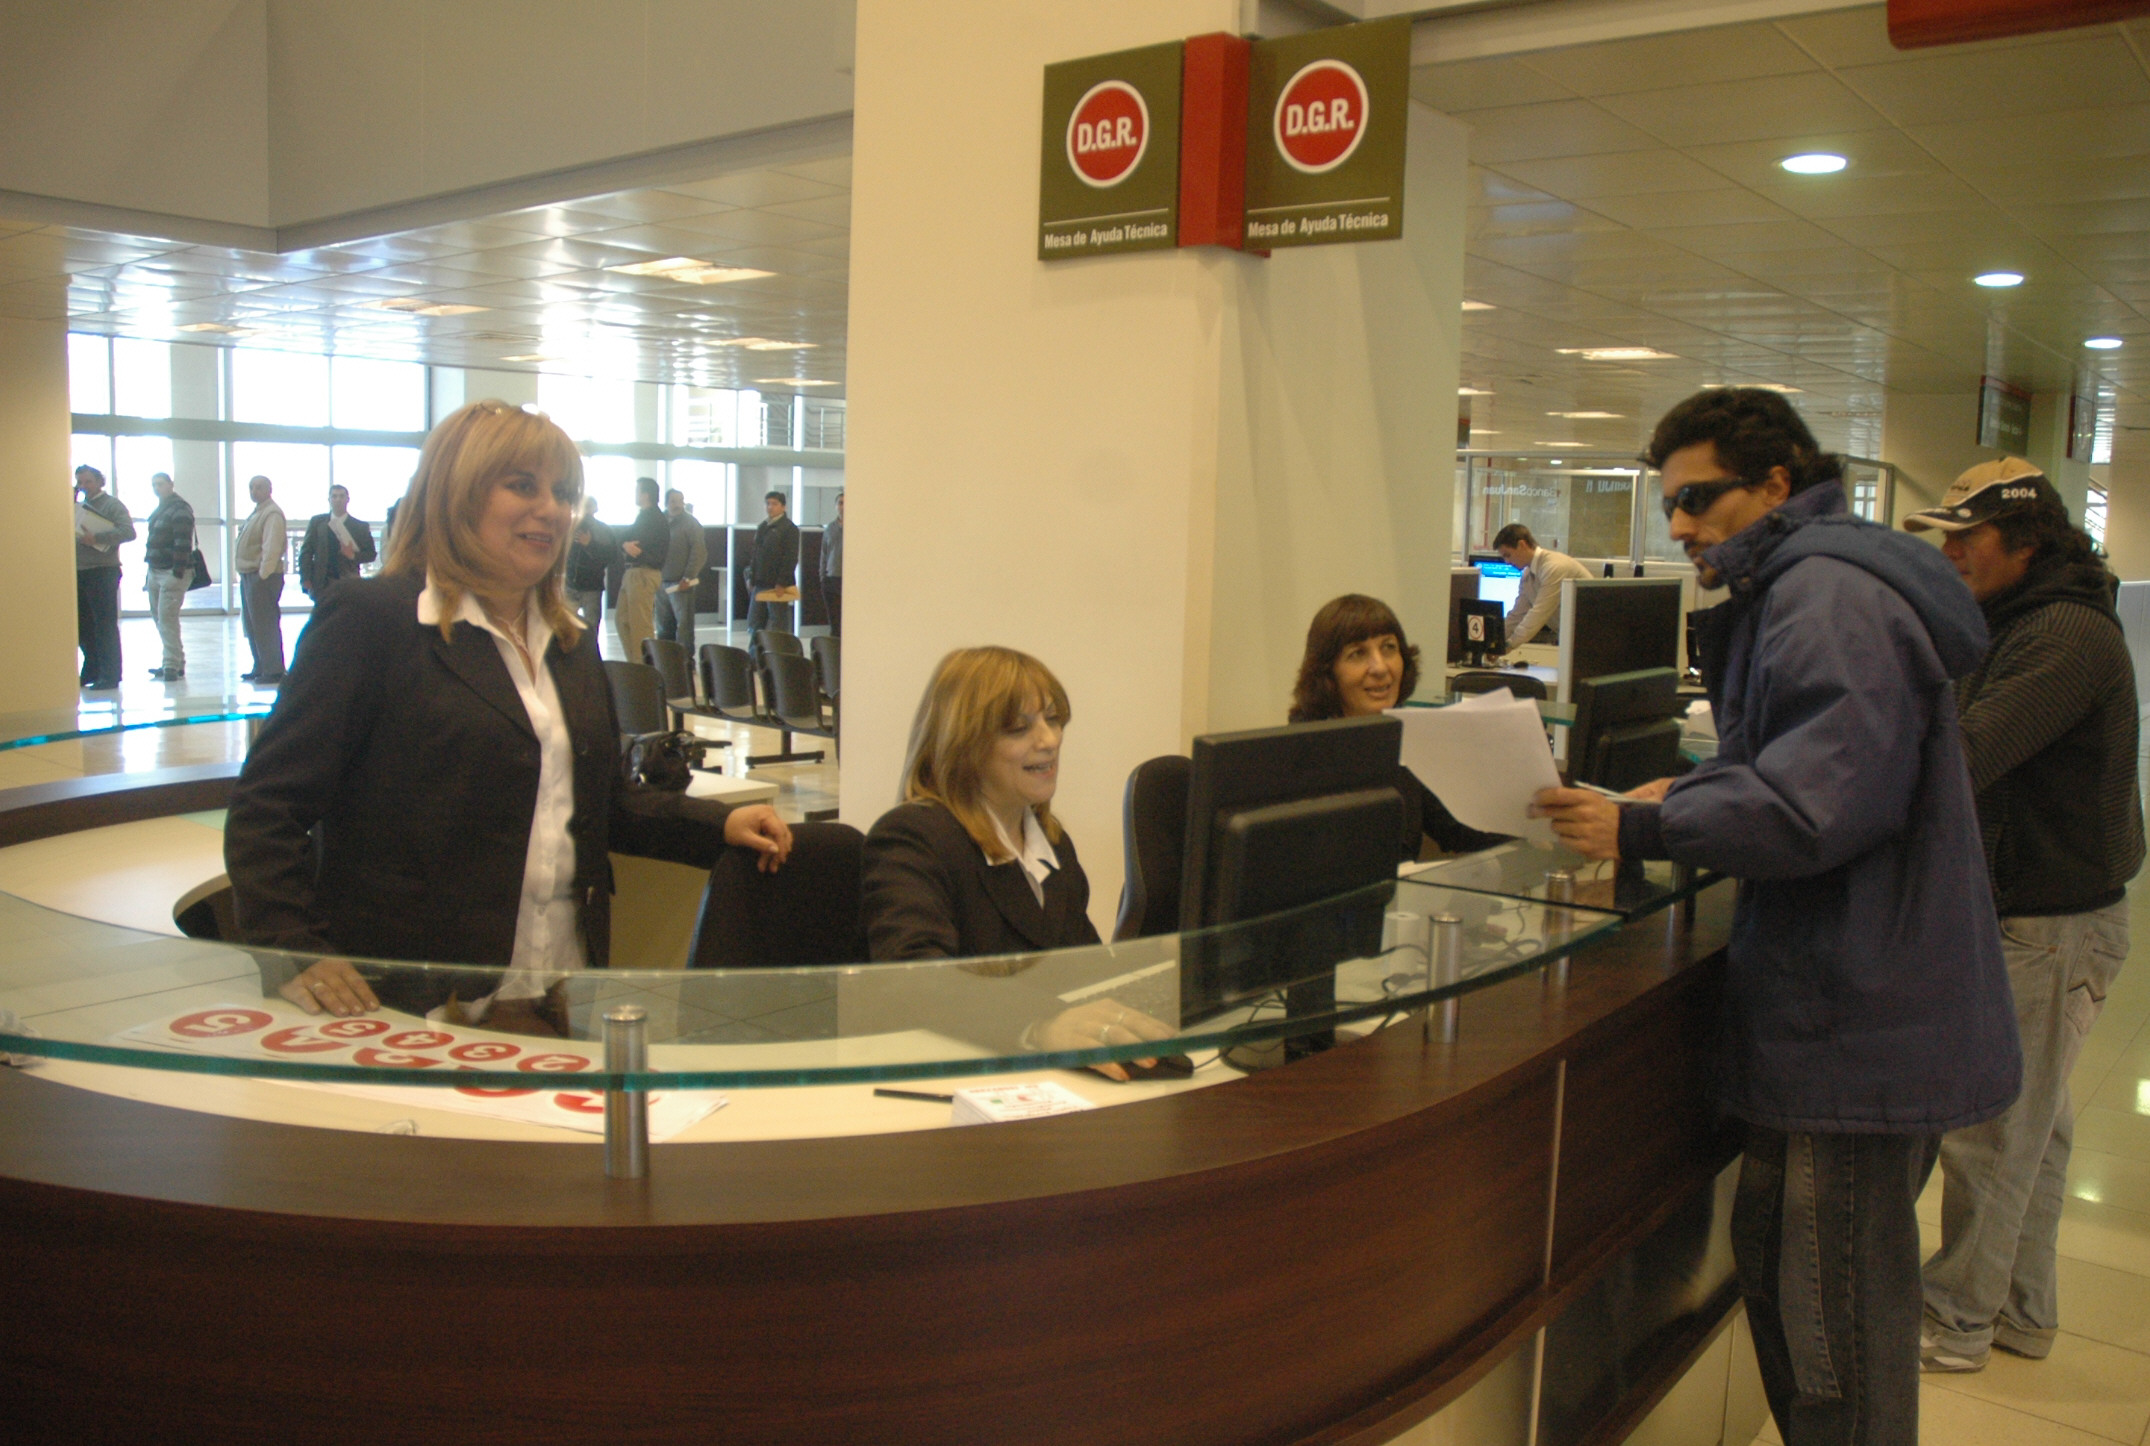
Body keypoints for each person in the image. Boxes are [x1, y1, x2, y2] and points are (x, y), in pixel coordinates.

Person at [1533, 387, 2020, 1446]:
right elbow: (1815, 762)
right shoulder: (1816, 580)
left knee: (1831, 1326)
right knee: (1807, 1289)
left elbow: (1815, 806)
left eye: (1696, 499)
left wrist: (1645, 827)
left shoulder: (1823, 594)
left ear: (1774, 485)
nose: (1677, 525)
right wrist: (1699, 789)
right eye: (1666, 503)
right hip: (1860, 1003)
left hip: (1854, 1019)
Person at [223, 401, 792, 1033]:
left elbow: (598, 806)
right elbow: (268, 806)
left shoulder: (568, 641)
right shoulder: (372, 619)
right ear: (456, 494)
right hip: (412, 1007)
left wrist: (719, 824)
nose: (551, 509)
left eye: (564, 493)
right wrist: (293, 950)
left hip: (557, 992)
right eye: (522, 485)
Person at [1902, 461, 2144, 1374]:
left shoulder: (2064, 634)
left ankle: (1955, 1322)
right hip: (2041, 916)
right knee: (2035, 1134)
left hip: (2050, 924)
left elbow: (1965, 757)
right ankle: (2020, 1312)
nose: (1951, 553)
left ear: (2027, 543)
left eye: (1968, 537)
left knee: (1993, 1138)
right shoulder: (2014, 621)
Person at [861, 646, 1172, 1079]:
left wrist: (1162, 962)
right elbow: (915, 981)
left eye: (1053, 719)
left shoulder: (1052, 844)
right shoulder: (913, 838)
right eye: (1018, 728)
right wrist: (1039, 1026)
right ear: (963, 744)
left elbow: (1083, 968)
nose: (1049, 740)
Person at [1288, 594, 1507, 862]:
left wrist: (1532, 813)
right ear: (1326, 672)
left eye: (1389, 648)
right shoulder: (1302, 754)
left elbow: (1457, 828)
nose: (1380, 667)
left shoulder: (1402, 735)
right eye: (1358, 654)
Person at [73, 464, 135, 691]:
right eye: (80, 482)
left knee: (104, 625)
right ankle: (92, 668)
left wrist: (97, 538)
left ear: (100, 482)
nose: (84, 486)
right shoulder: (78, 507)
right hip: (80, 571)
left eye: (88, 481)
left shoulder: (112, 505)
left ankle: (110, 674)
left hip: (103, 571)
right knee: (83, 625)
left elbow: (128, 532)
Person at [1492, 523, 1591, 651]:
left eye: (1508, 555)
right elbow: (1516, 615)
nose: (1507, 562)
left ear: (1522, 545)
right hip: (1573, 638)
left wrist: (1508, 646)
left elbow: (1538, 614)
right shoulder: (1528, 575)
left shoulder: (1554, 568)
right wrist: (1494, 641)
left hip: (1592, 636)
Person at [234, 474, 289, 683]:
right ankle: (260, 665)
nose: (254, 491)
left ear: (269, 489)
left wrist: (263, 574)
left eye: (259, 487)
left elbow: (271, 546)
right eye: (251, 487)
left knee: (265, 624)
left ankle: (274, 670)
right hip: (250, 575)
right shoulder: (257, 512)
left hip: (263, 576)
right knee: (252, 624)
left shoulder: (272, 513)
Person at [141, 472, 195, 681]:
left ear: (171, 485)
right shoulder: (162, 508)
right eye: (154, 484)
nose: (157, 488)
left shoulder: (180, 509)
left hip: (171, 572)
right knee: (160, 618)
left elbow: (183, 543)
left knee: (167, 619)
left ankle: (171, 664)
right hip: (155, 570)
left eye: (160, 484)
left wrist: (177, 573)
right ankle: (175, 661)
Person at [614, 476, 668, 664]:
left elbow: (638, 546)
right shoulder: (643, 516)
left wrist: (627, 545)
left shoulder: (655, 518)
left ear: (646, 495)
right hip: (633, 573)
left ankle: (645, 669)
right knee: (622, 620)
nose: (635, 495)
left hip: (644, 573)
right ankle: (634, 664)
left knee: (640, 626)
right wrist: (624, 544)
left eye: (637, 491)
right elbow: (624, 537)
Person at [653, 488, 709, 655]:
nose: (677, 504)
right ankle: (665, 658)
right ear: (666, 503)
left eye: (680, 501)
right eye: (673, 501)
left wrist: (688, 576)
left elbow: (699, 552)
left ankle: (685, 660)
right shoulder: (658, 522)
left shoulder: (691, 523)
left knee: (684, 626)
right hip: (660, 581)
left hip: (681, 583)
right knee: (663, 625)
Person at [298, 484, 377, 601]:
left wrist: (353, 555)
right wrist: (305, 578)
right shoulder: (317, 522)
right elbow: (306, 552)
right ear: (329, 500)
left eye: (341, 496)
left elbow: (371, 554)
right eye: (334, 496)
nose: (338, 499)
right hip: (321, 582)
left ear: (348, 499)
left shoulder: (360, 527)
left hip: (349, 582)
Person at [746, 490, 800, 652]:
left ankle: (778, 655)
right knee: (755, 622)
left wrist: (782, 582)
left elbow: (790, 558)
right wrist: (751, 577)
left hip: (777, 585)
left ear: (783, 507)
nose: (770, 507)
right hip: (760, 582)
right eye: (768, 503)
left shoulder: (789, 529)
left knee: (777, 622)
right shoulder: (763, 526)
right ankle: (755, 657)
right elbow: (755, 555)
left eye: (774, 504)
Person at [565, 496, 615, 631]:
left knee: (589, 627)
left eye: (588, 506)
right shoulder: (570, 527)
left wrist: (590, 544)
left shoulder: (602, 530)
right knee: (568, 627)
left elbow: (610, 556)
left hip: (589, 585)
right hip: (573, 583)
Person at [820, 490, 844, 637]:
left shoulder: (859, 527)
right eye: (840, 503)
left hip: (850, 580)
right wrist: (822, 577)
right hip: (832, 579)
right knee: (834, 622)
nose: (843, 507)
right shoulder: (829, 528)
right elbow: (824, 553)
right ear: (836, 506)